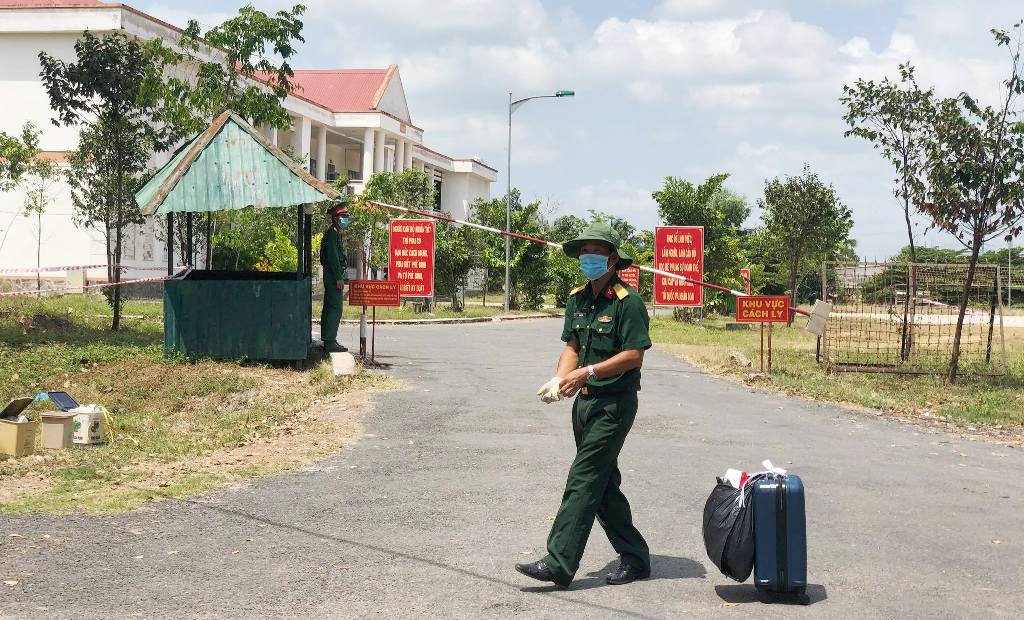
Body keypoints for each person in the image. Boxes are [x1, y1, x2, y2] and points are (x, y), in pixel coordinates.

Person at [517, 222, 652, 588]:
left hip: (614, 404)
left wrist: (587, 373)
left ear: (612, 258)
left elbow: (633, 355)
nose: (588, 257)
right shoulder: (577, 299)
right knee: (601, 482)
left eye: (596, 251)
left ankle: (559, 563)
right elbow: (572, 346)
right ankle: (636, 557)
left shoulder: (628, 302)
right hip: (585, 406)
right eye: (583, 251)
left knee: (584, 477)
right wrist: (561, 379)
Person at [319, 200, 350, 353]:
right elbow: (332, 259)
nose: (347, 219)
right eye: (344, 216)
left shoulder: (336, 234)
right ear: (336, 218)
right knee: (334, 307)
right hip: (332, 276)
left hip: (333, 275)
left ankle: (329, 338)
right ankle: (330, 341)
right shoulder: (332, 235)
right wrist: (338, 277)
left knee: (331, 306)